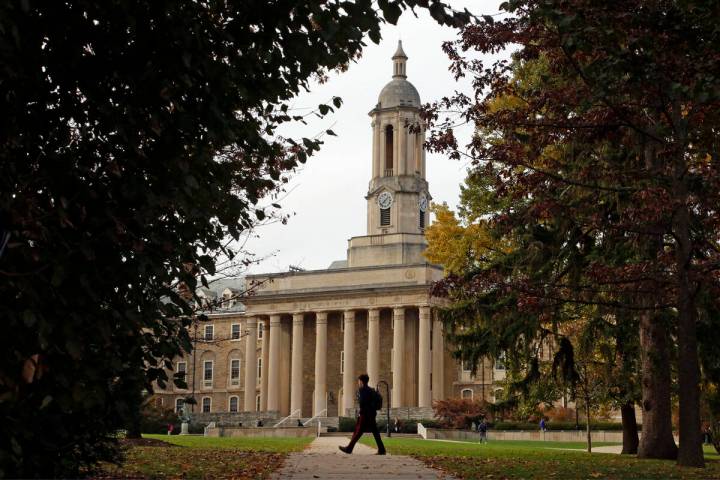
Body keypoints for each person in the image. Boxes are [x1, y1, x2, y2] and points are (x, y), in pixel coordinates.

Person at [339, 373, 386, 455]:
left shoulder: (362, 390)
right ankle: (382, 449)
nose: (358, 382)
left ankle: (349, 449)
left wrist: (361, 412)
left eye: (359, 381)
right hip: (372, 414)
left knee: (358, 431)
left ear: (361, 381)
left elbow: (362, 403)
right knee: (375, 432)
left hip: (365, 414)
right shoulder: (371, 390)